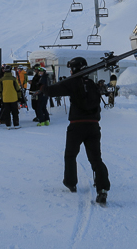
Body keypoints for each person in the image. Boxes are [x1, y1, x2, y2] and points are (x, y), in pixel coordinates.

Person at [46, 57, 110, 205]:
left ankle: (70, 182)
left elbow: (52, 92)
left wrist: (44, 86)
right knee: (96, 158)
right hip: (93, 126)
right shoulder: (93, 85)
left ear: (74, 69)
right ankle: (103, 189)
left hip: (76, 126)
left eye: (71, 68)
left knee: (70, 155)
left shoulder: (71, 83)